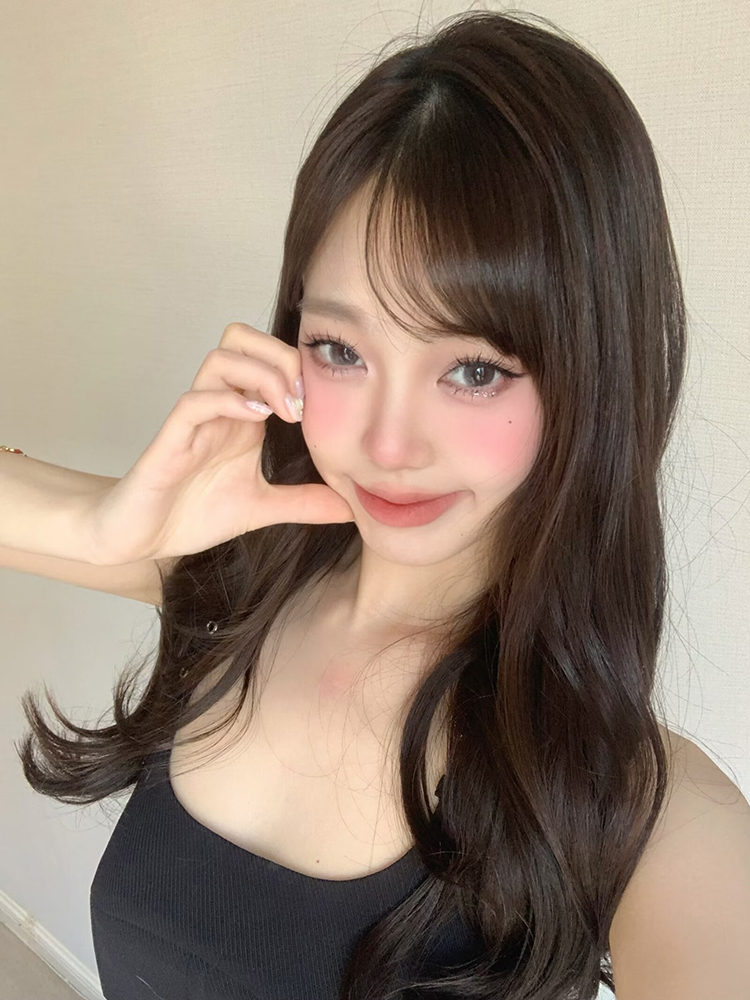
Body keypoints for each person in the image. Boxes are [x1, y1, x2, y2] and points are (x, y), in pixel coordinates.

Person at [3, 9, 749, 1000]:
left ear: (591, 381)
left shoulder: (627, 806)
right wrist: (99, 529)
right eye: (341, 350)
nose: (387, 445)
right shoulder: (234, 584)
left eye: (474, 369)